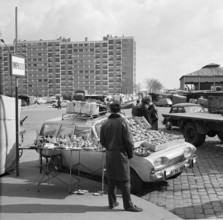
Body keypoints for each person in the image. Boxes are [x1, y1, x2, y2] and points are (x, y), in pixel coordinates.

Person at [100, 102, 143, 212]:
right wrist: (130, 154)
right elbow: (128, 141)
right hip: (120, 154)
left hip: (110, 154)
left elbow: (102, 141)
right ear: (120, 110)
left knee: (111, 179)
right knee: (125, 180)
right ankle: (128, 205)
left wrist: (110, 148)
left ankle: (112, 202)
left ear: (110, 110)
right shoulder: (123, 122)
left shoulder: (105, 123)